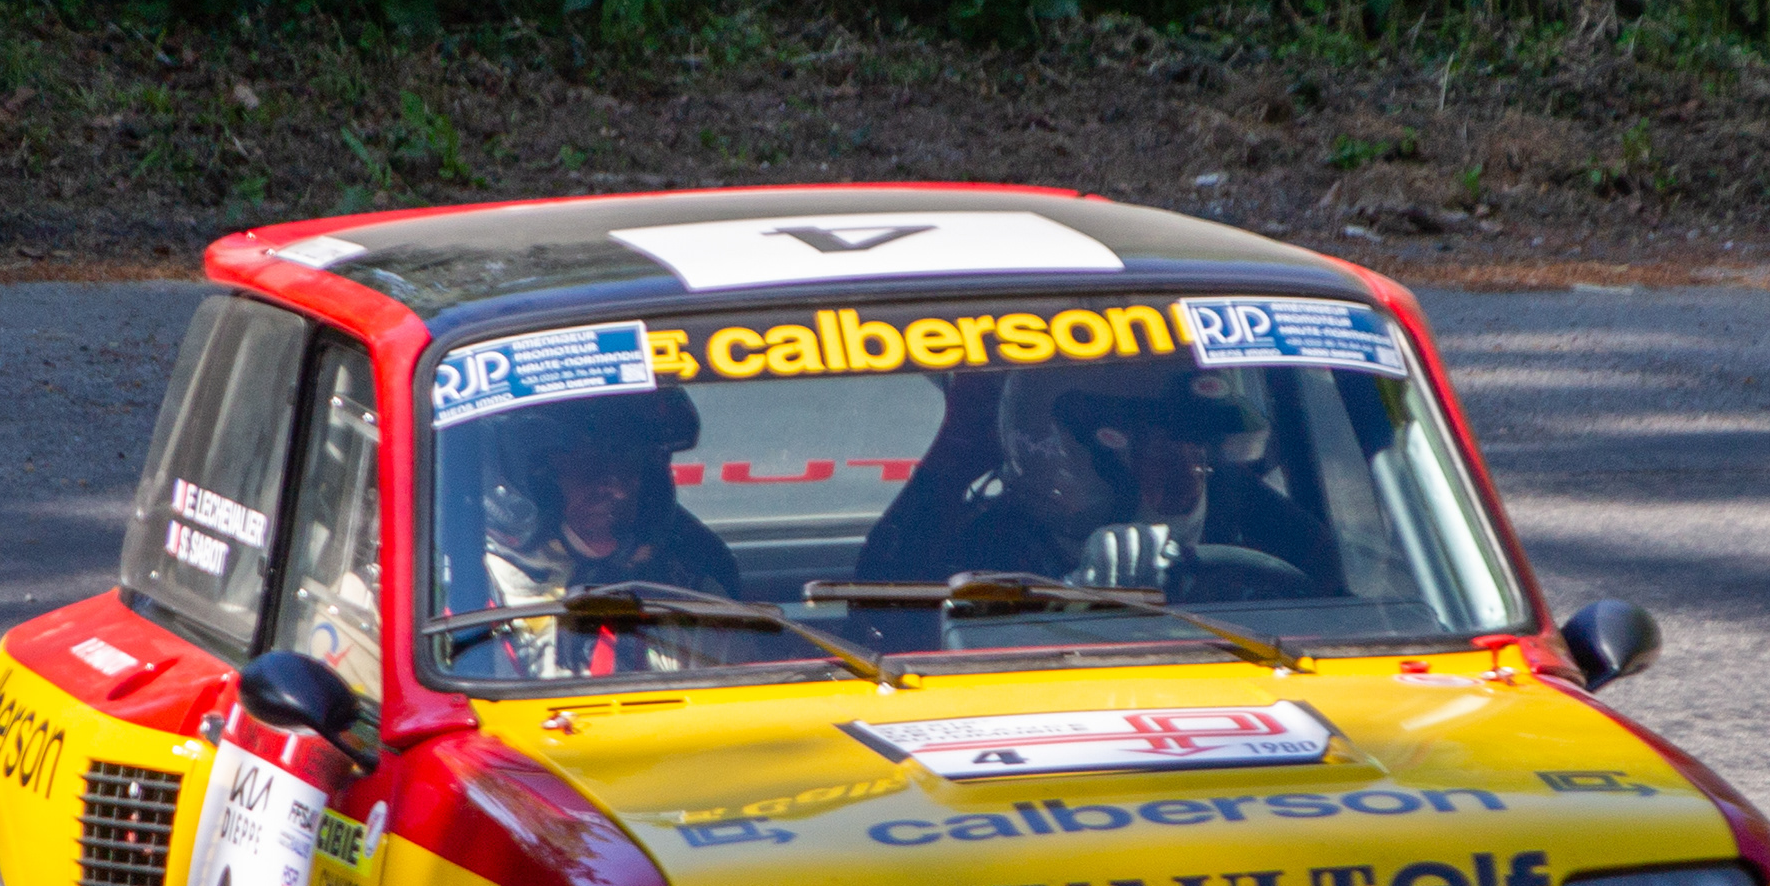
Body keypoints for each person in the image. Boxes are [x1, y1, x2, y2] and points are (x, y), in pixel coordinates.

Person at [859, 359, 1333, 597]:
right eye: (1159, 445)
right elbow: (888, 616)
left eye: (1196, 443)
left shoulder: (1238, 503)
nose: (1191, 464)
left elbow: (1347, 596)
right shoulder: (986, 551)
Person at [474, 388, 745, 675]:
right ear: (528, 483)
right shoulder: (455, 591)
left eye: (630, 466)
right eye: (589, 465)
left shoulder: (684, 598)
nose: (618, 490)